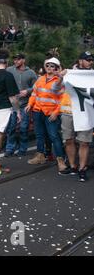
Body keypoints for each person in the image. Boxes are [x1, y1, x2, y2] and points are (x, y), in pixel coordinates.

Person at [25, 57, 66, 172]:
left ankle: (61, 160)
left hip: (51, 113)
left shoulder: (60, 81)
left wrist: (56, 112)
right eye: (47, 65)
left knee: (54, 136)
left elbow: (62, 99)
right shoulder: (40, 79)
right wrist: (30, 104)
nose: (49, 68)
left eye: (52, 66)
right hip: (38, 112)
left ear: (57, 68)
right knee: (39, 135)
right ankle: (40, 156)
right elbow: (34, 94)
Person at [58, 51, 93, 182]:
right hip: (69, 111)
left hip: (85, 112)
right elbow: (57, 88)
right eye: (87, 60)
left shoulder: (92, 75)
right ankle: (73, 166)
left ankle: (82, 168)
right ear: (80, 61)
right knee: (69, 139)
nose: (90, 62)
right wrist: (61, 77)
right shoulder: (69, 74)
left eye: (91, 60)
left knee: (84, 141)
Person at [5, 53, 38, 157]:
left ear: (23, 60)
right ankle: (9, 149)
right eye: (14, 59)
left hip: (25, 104)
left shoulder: (31, 73)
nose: (15, 61)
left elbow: (37, 87)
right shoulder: (9, 70)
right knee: (11, 127)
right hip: (12, 104)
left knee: (24, 128)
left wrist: (28, 91)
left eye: (18, 59)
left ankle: (22, 149)